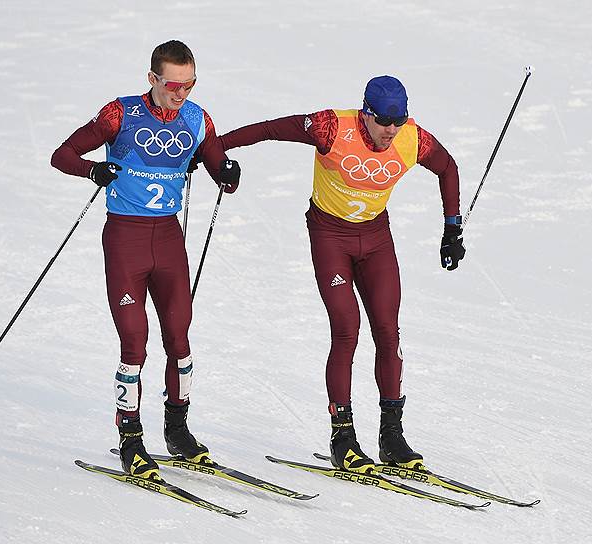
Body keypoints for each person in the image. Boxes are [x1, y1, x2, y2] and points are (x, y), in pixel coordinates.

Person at [219, 75, 465, 474]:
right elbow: (268, 130)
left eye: (398, 121)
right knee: (346, 329)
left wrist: (452, 227)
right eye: (383, 120)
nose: (390, 130)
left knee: (388, 331)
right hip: (330, 236)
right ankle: (343, 437)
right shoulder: (331, 126)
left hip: (376, 237)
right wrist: (214, 150)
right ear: (365, 112)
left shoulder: (412, 138)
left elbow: (448, 168)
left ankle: (392, 436)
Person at [51, 40, 241, 479]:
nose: (181, 94)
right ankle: (131, 438)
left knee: (179, 336)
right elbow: (62, 155)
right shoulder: (119, 114)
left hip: (168, 238)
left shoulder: (197, 119)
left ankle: (177, 430)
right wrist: (93, 171)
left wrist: (227, 172)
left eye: (189, 85)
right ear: (152, 79)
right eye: (173, 85)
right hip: (126, 238)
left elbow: (220, 170)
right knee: (134, 341)